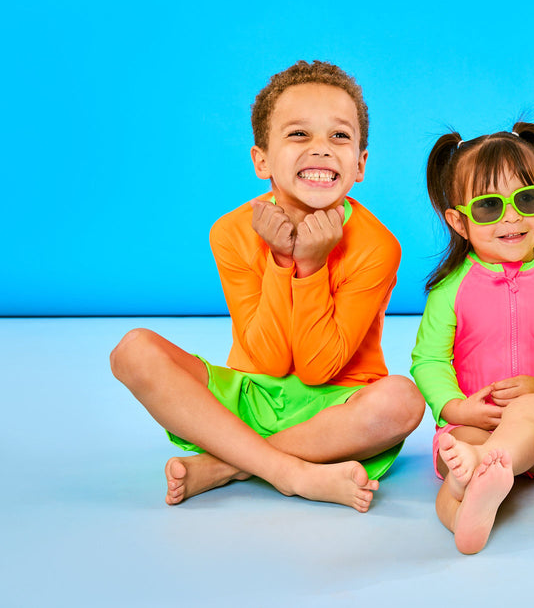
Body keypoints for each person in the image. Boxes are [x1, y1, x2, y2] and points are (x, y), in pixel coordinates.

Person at [109, 60, 424, 512]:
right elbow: (269, 360)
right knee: (133, 350)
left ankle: (226, 464)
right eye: (298, 135)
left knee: (401, 400)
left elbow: (318, 370)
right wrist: (280, 261)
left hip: (336, 414)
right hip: (251, 394)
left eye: (339, 136)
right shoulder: (231, 231)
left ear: (360, 163)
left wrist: (310, 266)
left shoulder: (378, 245)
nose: (321, 150)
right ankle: (291, 472)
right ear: (261, 160)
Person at [410, 123, 534, 553]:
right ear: (458, 222)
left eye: (527, 199)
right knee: (457, 457)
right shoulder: (450, 290)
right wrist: (456, 407)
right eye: (489, 207)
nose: (511, 217)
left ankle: (485, 468)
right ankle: (461, 511)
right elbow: (428, 361)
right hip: (473, 428)